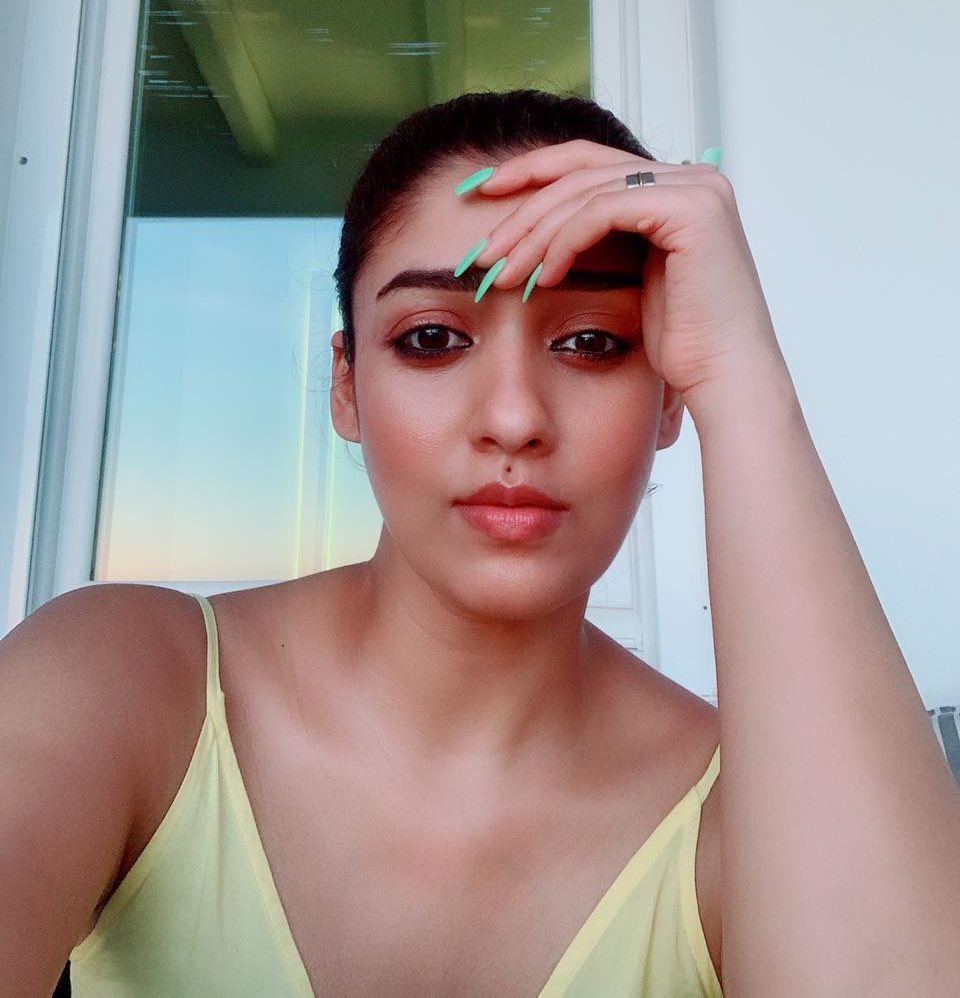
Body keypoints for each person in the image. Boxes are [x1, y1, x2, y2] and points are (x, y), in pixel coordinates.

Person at [3, 89, 957, 997]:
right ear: (347, 385)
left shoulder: (748, 818)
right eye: (431, 338)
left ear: (668, 395)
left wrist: (742, 382)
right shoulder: (121, 680)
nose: (513, 418)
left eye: (592, 342)